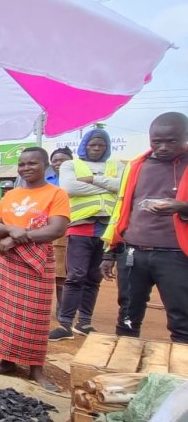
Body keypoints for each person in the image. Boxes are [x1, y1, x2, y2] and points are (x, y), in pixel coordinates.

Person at [0, 147, 70, 392]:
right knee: (6, 312)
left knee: (34, 316)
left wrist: (19, 237)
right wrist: (12, 231)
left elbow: (56, 229)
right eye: (22, 164)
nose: (26, 168)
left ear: (45, 166)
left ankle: (36, 369)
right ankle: (7, 361)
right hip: (8, 261)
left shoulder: (56, 194)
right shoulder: (11, 195)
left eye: (32, 163)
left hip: (37, 262)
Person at [102, 112, 188, 344]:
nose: (162, 147)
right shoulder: (136, 166)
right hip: (132, 253)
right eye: (156, 141)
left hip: (177, 255)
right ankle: (124, 372)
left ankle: (181, 377)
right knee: (128, 316)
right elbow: (121, 209)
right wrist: (110, 252)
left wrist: (182, 207)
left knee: (182, 319)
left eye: (171, 141)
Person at [49, 130, 123, 341]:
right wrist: (105, 186)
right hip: (81, 226)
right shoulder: (70, 165)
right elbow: (69, 187)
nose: (97, 149)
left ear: (107, 146)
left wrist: (92, 180)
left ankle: (84, 322)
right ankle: (65, 324)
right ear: (84, 146)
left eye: (101, 145)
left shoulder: (116, 165)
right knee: (75, 275)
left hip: (107, 228)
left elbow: (122, 187)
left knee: (94, 277)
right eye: (92, 145)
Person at [47, 147, 73, 317]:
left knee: (73, 270)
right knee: (58, 270)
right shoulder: (47, 180)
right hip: (50, 228)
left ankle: (68, 307)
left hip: (74, 227)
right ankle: (61, 307)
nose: (58, 163)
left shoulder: (76, 179)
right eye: (55, 160)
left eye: (62, 160)